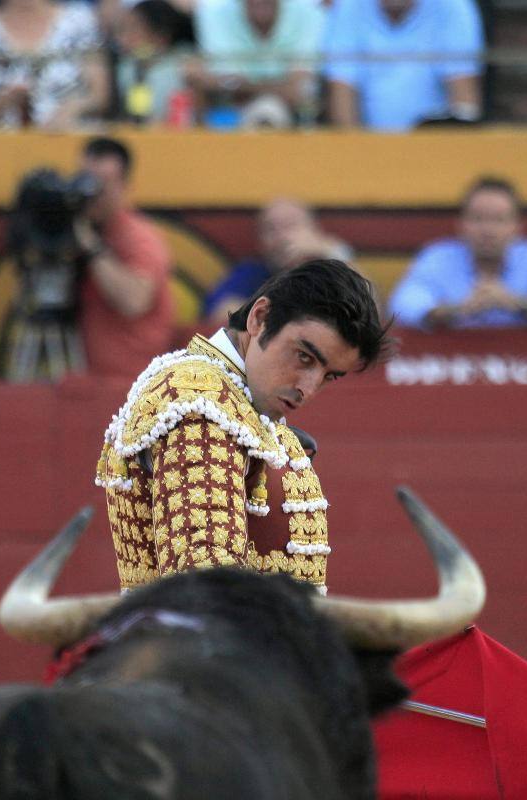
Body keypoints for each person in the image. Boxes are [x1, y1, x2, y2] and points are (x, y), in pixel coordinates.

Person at [95, 258, 388, 593]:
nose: (308, 389)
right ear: (259, 318)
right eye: (304, 357)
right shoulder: (203, 409)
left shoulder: (235, 400)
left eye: (328, 377)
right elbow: (208, 593)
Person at [388, 177, 527, 329]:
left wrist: (518, 304)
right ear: (461, 224)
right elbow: (402, 305)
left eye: (499, 220)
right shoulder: (437, 256)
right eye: (478, 218)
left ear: (518, 226)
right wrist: (455, 311)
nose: (488, 230)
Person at [75, 136, 174, 380]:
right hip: (87, 381)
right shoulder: (79, 232)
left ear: (123, 185)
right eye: (85, 182)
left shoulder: (140, 238)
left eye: (101, 185)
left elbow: (134, 301)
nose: (91, 194)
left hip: (133, 385)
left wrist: (91, 246)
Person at [323, 0, 484, 131]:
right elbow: (342, 91)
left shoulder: (452, 6)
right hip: (368, 149)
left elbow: (464, 103)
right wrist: (357, 154)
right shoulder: (348, 6)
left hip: (435, 147)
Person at [205, 198, 354, 323]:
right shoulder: (252, 273)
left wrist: (334, 253)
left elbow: (369, 307)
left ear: (315, 231)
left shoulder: (331, 271)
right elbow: (220, 313)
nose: (281, 237)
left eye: (290, 225)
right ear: (260, 242)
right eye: (270, 229)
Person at [186, 0, 325, 128]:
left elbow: (298, 91)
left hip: (293, 118)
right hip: (228, 111)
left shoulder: (309, 12)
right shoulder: (214, 13)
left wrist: (234, 84)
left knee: (269, 110)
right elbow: (202, 79)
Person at [0, 0, 109, 129]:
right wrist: (4, 101)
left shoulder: (79, 22)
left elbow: (98, 95)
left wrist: (72, 109)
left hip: (70, 139)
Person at [115, 0, 195, 124]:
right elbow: (136, 115)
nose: (124, 39)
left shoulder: (186, 64)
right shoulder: (128, 69)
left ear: (161, 36)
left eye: (134, 29)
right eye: (123, 30)